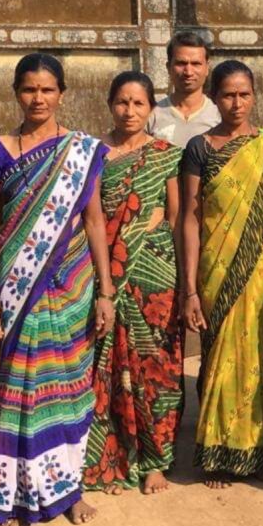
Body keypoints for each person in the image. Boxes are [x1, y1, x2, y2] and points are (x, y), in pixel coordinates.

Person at [0, 53, 115, 526]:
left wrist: (105, 291)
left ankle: (69, 490)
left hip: (72, 283)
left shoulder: (81, 150)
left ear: (62, 93)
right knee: (20, 389)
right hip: (17, 285)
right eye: (29, 89)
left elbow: (94, 221)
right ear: (16, 92)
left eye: (47, 90)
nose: (38, 98)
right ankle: (14, 494)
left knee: (70, 385)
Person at [180, 60, 263, 489]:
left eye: (244, 94)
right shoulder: (200, 148)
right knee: (219, 360)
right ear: (214, 97)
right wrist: (190, 289)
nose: (237, 103)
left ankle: (255, 453)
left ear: (254, 96)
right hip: (217, 270)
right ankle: (216, 454)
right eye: (228, 95)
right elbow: (190, 218)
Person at [83, 71, 184, 497]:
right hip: (106, 272)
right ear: (110, 104)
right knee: (107, 366)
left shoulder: (166, 155)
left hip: (155, 275)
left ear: (151, 109)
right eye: (122, 102)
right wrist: (106, 281)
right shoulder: (92, 154)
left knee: (157, 368)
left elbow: (176, 218)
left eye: (139, 103)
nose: (130, 111)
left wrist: (183, 282)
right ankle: (116, 457)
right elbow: (89, 219)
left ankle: (156, 462)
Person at [148, 31, 220, 148]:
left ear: (207, 68)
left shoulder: (219, 116)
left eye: (196, 64)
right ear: (168, 67)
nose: (188, 72)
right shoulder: (152, 116)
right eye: (181, 63)